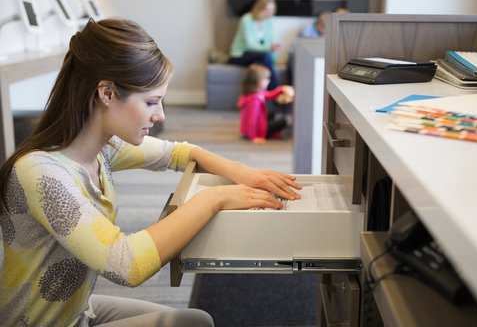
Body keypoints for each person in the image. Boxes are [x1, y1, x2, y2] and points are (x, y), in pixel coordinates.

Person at [0, 18, 301, 327]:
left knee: (197, 319)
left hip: (78, 310)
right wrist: (214, 198)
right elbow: (126, 264)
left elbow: (179, 152)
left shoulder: (102, 147)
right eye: (151, 102)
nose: (160, 115)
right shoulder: (41, 173)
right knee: (194, 325)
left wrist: (241, 171)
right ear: (107, 94)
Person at [229, 0, 282, 92]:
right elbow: (250, 44)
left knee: (261, 64)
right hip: (240, 55)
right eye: (266, 10)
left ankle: (259, 98)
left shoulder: (268, 21)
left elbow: (270, 41)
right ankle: (275, 92)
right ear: (259, 8)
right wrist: (269, 48)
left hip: (257, 56)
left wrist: (274, 60)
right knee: (265, 57)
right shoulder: (246, 19)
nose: (269, 14)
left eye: (271, 11)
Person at [237, 64, 294, 144]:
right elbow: (252, 121)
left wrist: (282, 89)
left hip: (250, 128)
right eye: (266, 79)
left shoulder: (256, 93)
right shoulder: (255, 101)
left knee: (272, 114)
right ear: (257, 81)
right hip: (256, 131)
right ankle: (267, 133)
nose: (269, 81)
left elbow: (270, 95)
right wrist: (254, 137)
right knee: (283, 122)